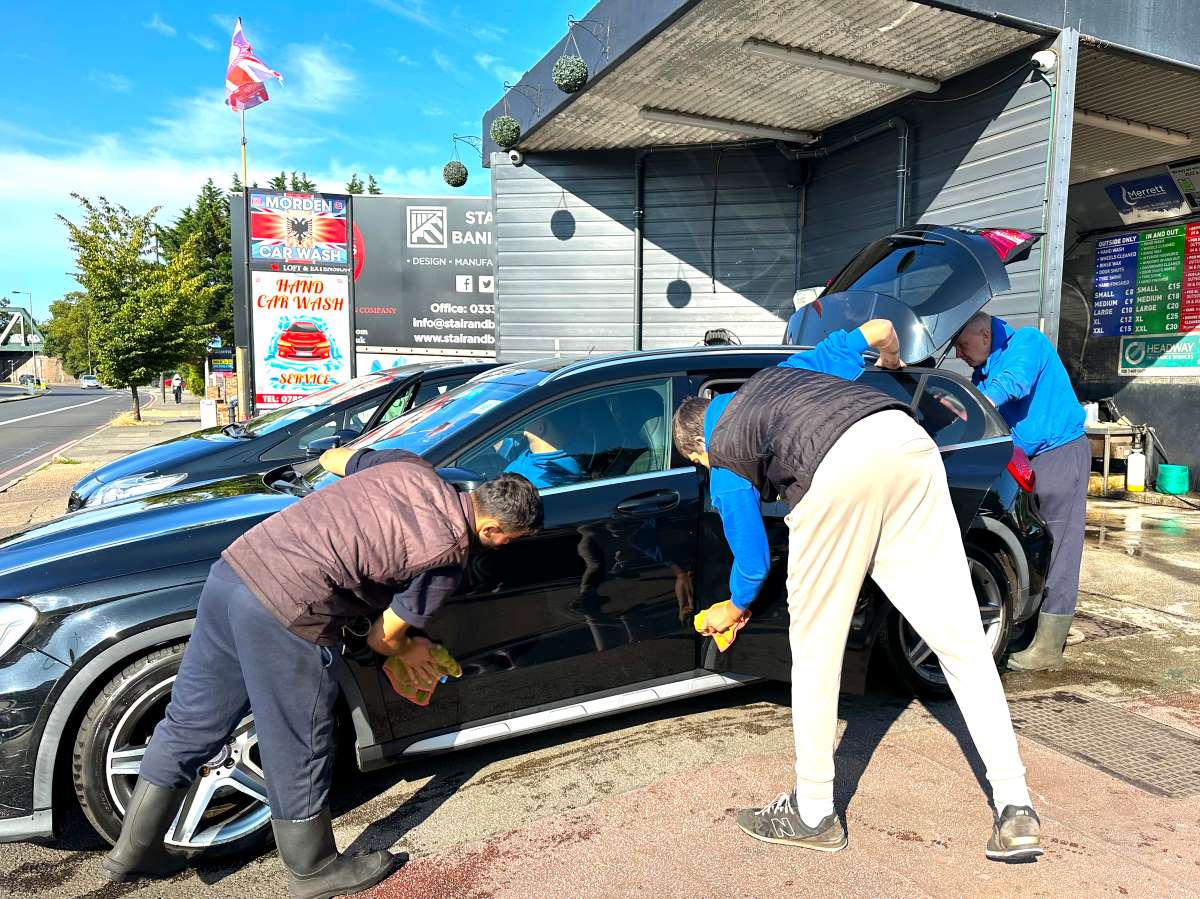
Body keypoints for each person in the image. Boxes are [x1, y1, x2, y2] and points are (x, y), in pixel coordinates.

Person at [671, 319, 1041, 862]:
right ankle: (1016, 805)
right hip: (907, 443)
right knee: (961, 642)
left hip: (834, 470)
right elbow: (878, 329)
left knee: (816, 650)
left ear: (697, 445)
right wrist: (892, 361)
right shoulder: (787, 373)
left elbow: (751, 563)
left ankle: (814, 811)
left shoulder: (723, 453)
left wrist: (735, 606)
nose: (709, 469)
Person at [102, 449, 542, 898]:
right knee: (298, 741)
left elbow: (337, 458)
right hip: (289, 609)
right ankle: (312, 871)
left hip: (235, 571)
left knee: (190, 720)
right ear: (491, 528)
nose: (509, 546)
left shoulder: (410, 467)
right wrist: (414, 646)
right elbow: (383, 639)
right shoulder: (448, 554)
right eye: (513, 538)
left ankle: (135, 851)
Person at [953, 312, 1087, 671]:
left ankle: (1048, 647)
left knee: (1060, 546)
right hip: (1021, 460)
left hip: (1058, 452)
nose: (957, 354)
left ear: (984, 334)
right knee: (1033, 542)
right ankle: (1027, 628)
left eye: (961, 345)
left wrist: (968, 405)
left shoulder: (1027, 342)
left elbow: (1014, 383)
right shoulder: (983, 368)